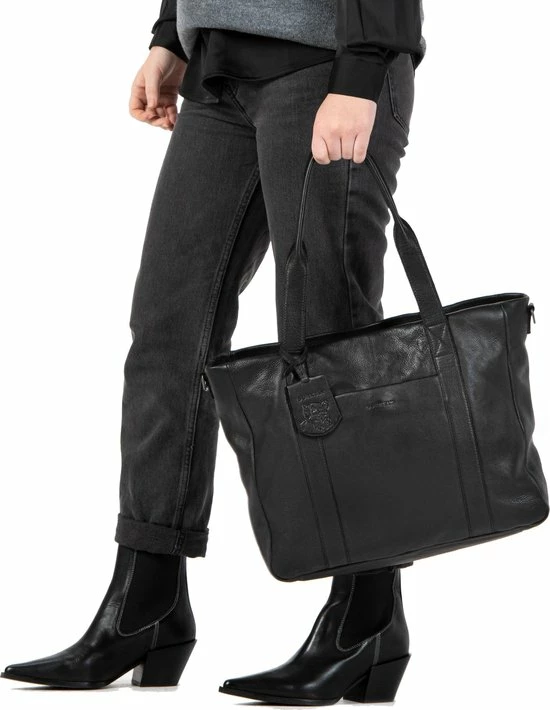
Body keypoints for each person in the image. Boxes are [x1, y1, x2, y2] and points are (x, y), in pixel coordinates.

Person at [1, 0, 426, 702]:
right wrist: (172, 34)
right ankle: (146, 601)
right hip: (218, 69)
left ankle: (367, 613)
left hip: (329, 64)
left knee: (330, 342)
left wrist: (366, 65)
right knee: (168, 330)